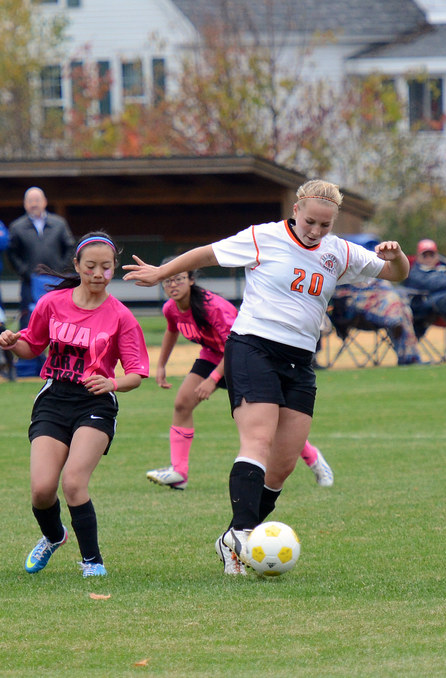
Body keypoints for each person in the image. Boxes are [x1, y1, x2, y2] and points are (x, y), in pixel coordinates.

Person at [123, 179, 410, 575]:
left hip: (299, 361)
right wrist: (161, 273)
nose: (315, 231)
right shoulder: (264, 237)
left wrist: (395, 256)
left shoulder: (339, 251)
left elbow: (397, 274)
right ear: (296, 210)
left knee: (284, 464)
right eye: (310, 221)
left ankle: (231, 538)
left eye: (325, 225)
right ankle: (243, 534)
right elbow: (205, 255)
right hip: (252, 347)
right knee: (257, 439)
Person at [0, 231, 149, 578]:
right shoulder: (52, 304)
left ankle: (93, 561)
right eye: (90, 266)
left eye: (106, 268)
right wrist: (11, 342)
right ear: (77, 265)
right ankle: (53, 536)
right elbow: (31, 346)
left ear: (114, 268)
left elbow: (136, 374)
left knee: (74, 481)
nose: (98, 274)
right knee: (42, 490)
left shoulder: (121, 316)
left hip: (95, 403)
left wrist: (112, 382)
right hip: (54, 399)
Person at [147, 259, 334, 491]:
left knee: (268, 424)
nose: (172, 285)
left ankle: (314, 460)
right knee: (182, 404)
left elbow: (234, 344)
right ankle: (179, 473)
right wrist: (161, 366)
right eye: (167, 280)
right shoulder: (171, 308)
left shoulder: (213, 307)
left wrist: (213, 380)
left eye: (178, 278)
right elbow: (171, 330)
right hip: (213, 356)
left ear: (191, 280)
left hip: (243, 357)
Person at [8, 187, 76, 329]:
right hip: (30, 282)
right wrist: (25, 272)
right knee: (29, 319)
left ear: (44, 202)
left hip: (58, 280)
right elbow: (12, 253)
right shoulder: (16, 227)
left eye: (37, 200)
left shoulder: (59, 223)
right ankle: (31, 351)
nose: (34, 204)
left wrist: (63, 268)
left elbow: (70, 247)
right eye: (30, 201)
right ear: (25, 204)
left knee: (62, 318)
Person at [329, 279, 423, 366]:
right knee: (398, 304)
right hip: (356, 310)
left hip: (382, 303)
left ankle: (395, 322)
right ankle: (409, 355)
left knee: (401, 305)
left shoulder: (376, 266)